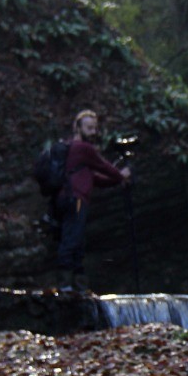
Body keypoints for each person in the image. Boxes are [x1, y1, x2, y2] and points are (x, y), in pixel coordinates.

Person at [55, 109, 130, 292]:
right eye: (89, 128)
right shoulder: (82, 148)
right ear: (77, 128)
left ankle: (78, 285)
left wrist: (117, 179)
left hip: (68, 199)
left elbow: (97, 179)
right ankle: (65, 285)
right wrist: (122, 175)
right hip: (75, 199)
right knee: (72, 239)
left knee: (76, 239)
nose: (93, 132)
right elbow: (104, 166)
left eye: (95, 128)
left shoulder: (74, 155)